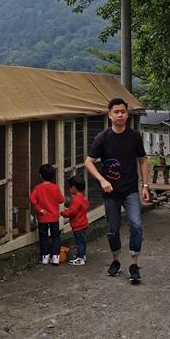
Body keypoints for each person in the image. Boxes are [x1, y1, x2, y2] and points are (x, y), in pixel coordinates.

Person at [86, 97, 150, 284]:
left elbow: (143, 161)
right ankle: (115, 261)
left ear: (127, 114)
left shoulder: (134, 136)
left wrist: (145, 186)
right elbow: (89, 162)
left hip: (130, 190)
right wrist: (101, 180)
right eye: (116, 112)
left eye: (123, 112)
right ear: (110, 115)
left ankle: (134, 264)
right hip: (110, 193)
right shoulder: (102, 138)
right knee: (113, 229)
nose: (120, 115)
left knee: (136, 225)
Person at [29, 163, 65, 265]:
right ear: (53, 176)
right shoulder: (55, 187)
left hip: (42, 217)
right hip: (54, 217)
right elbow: (61, 200)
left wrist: (39, 208)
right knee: (55, 236)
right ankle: (56, 257)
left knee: (43, 237)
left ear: (40, 176)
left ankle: (45, 257)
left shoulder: (38, 188)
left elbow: (32, 198)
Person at [60, 174, 89, 265]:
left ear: (73, 188)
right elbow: (79, 209)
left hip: (78, 225)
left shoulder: (76, 199)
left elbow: (72, 211)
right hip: (83, 223)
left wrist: (63, 213)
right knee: (82, 242)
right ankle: (82, 255)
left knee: (79, 242)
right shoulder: (83, 197)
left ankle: (80, 258)